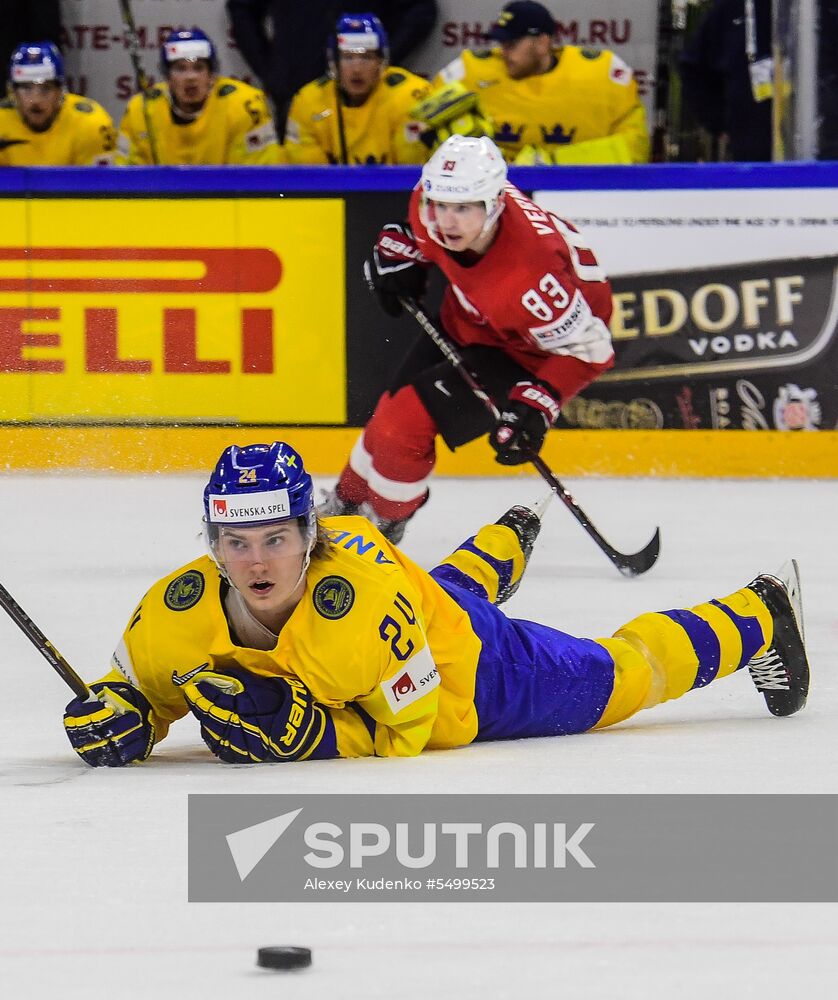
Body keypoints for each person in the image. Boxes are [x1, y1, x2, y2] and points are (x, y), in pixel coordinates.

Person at [62, 440, 810, 767]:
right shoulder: (172, 612)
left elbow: (413, 722)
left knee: (617, 675)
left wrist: (318, 738)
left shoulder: (356, 615)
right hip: (403, 592)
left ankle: (759, 615)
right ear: (210, 542)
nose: (255, 561)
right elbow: (136, 685)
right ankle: (510, 534)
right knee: (444, 586)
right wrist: (118, 713)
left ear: (310, 532)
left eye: (276, 538)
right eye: (235, 542)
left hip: (468, 672)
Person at [320, 133, 613, 541]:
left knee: (399, 430)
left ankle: (380, 531)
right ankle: (343, 507)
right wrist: (404, 255)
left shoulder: (532, 278)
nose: (446, 221)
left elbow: (593, 349)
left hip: (529, 350)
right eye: (440, 205)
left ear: (495, 205)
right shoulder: (429, 202)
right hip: (472, 318)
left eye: (462, 209)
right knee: (386, 415)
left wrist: (540, 402)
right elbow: (422, 236)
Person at [415, 0, 649, 164]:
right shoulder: (470, 74)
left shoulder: (603, 75)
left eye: (512, 44)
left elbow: (635, 147)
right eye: (501, 44)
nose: (503, 52)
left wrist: (553, 162)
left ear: (543, 42)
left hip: (582, 200)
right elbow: (420, 133)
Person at [226, 1, 437, 139]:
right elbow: (241, 7)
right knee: (303, 188)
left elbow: (422, 9)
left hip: (372, 99)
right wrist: (270, 70)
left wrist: (377, 59)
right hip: (298, 86)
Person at [281, 13, 431, 165]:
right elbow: (309, 180)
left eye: (366, 57)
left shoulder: (410, 96)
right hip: (333, 189)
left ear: (381, 61)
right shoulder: (309, 102)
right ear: (335, 62)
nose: (357, 69)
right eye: (348, 57)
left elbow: (413, 173)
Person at [116, 27, 280, 166]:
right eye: (181, 68)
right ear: (167, 78)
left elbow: (258, 179)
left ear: (212, 76)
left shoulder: (244, 106)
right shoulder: (142, 111)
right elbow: (122, 180)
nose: (190, 77)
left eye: (198, 68)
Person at [679, 0, 772, 162]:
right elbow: (693, 69)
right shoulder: (734, 8)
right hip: (752, 156)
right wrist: (719, 122)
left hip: (823, 153)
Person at [0, 41, 116, 166]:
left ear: (61, 92)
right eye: (26, 88)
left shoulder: (91, 125)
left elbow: (102, 183)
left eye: (46, 88)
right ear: (13, 93)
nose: (36, 99)